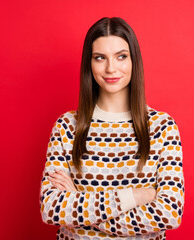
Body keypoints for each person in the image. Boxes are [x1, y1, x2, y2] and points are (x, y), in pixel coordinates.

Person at [39, 17, 185, 240]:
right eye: (100, 58)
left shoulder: (162, 127)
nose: (111, 68)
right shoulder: (67, 126)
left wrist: (78, 201)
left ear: (133, 60)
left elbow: (170, 213)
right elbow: (51, 209)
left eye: (121, 57)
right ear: (90, 62)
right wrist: (135, 196)